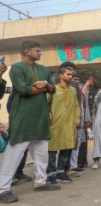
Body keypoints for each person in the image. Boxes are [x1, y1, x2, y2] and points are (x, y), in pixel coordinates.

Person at [0, 40, 60, 204]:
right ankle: (2, 189)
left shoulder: (44, 69)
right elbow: (23, 89)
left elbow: (53, 89)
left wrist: (46, 85)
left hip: (40, 117)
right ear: (26, 51)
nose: (40, 53)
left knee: (41, 152)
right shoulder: (17, 68)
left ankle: (41, 181)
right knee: (15, 153)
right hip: (23, 117)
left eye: (40, 51)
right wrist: (44, 87)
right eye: (37, 50)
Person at [47, 67, 80, 184]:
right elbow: (46, 103)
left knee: (66, 148)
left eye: (71, 74)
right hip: (55, 123)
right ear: (61, 75)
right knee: (52, 149)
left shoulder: (73, 90)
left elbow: (76, 105)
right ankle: (50, 174)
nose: (71, 76)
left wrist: (77, 118)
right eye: (68, 74)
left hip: (69, 124)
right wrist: (49, 114)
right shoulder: (53, 89)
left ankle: (61, 172)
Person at [69, 74, 91, 173]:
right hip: (71, 122)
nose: (77, 81)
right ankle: (67, 167)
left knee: (77, 144)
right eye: (75, 79)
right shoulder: (69, 90)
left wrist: (87, 120)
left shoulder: (81, 91)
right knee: (70, 144)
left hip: (81, 122)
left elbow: (85, 106)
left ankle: (74, 165)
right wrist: (86, 85)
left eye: (78, 79)